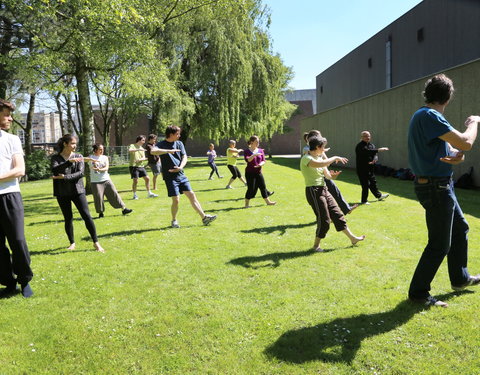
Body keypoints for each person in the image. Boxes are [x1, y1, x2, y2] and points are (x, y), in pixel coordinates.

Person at [407, 74, 480, 307]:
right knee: (439, 244)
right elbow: (466, 142)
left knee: (460, 229)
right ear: (448, 97)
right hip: (435, 187)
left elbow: (454, 148)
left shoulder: (426, 116)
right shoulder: (430, 115)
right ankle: (418, 293)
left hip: (440, 184)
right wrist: (474, 123)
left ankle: (460, 278)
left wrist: (457, 156)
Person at [300, 136, 365, 252]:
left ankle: (353, 238)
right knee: (325, 220)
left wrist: (333, 175)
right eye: (323, 147)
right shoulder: (306, 158)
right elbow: (319, 165)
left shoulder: (319, 158)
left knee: (337, 214)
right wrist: (335, 157)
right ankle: (316, 246)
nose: (324, 149)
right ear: (317, 147)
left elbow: (328, 176)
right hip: (313, 191)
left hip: (324, 189)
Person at [151, 125, 217, 228]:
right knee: (176, 199)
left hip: (181, 174)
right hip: (170, 176)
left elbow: (184, 156)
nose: (179, 135)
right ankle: (174, 221)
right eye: (177, 133)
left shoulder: (179, 143)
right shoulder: (161, 144)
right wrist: (167, 151)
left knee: (191, 195)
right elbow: (153, 151)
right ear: (171, 134)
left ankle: (204, 218)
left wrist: (181, 167)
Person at [0, 99, 33, 298]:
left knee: (18, 241)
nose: (10, 118)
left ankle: (24, 280)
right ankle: (8, 281)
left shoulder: (11, 139)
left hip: (9, 196)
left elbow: (20, 170)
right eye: (6, 114)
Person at [51, 134, 105, 253]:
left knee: (87, 216)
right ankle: (72, 243)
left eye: (75, 143)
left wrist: (64, 177)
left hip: (77, 191)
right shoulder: (55, 158)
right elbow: (55, 170)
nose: (75, 146)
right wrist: (69, 162)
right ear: (65, 144)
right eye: (72, 143)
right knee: (68, 218)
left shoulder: (79, 156)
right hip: (62, 192)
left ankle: (96, 243)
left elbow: (80, 174)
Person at [303, 130, 358, 215]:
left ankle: (341, 211)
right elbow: (318, 162)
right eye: (320, 136)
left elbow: (325, 160)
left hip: (323, 173)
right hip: (316, 179)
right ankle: (337, 212)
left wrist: (326, 156)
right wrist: (334, 158)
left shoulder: (318, 148)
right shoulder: (308, 149)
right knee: (325, 196)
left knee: (332, 192)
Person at [84, 143, 133, 218]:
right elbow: (83, 159)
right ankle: (100, 213)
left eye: (102, 149)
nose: (102, 150)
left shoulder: (104, 157)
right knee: (98, 198)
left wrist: (99, 169)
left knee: (114, 194)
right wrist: (91, 159)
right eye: (100, 149)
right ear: (95, 150)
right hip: (95, 182)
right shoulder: (91, 157)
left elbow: (106, 168)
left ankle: (124, 209)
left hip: (106, 180)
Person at [355, 130, 389, 204]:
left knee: (373, 182)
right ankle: (364, 201)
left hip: (370, 168)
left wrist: (375, 158)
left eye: (369, 136)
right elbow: (368, 152)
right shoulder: (360, 146)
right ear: (362, 137)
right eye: (365, 136)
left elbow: (374, 153)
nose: (368, 137)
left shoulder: (371, 145)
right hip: (362, 169)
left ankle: (379, 196)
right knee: (365, 185)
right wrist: (379, 150)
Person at [243, 135, 276, 208]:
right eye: (256, 142)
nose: (258, 143)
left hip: (258, 172)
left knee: (263, 187)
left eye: (258, 142)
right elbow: (248, 160)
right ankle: (246, 205)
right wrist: (254, 155)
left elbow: (263, 160)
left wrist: (260, 164)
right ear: (251, 142)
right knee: (251, 189)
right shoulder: (247, 151)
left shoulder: (260, 150)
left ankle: (268, 202)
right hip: (249, 173)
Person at [129, 135, 158, 200]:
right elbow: (130, 150)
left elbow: (144, 157)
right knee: (135, 181)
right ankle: (134, 195)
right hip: (133, 166)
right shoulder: (132, 145)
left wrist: (141, 159)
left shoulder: (142, 148)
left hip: (141, 166)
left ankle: (149, 193)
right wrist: (137, 149)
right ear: (139, 140)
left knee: (147, 179)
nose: (144, 142)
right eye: (143, 140)